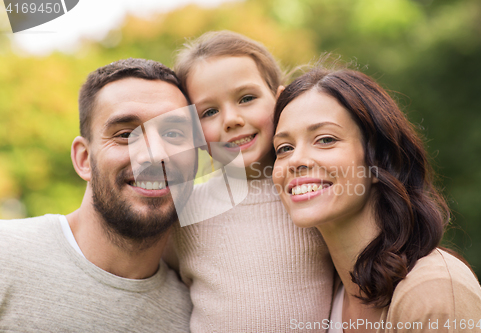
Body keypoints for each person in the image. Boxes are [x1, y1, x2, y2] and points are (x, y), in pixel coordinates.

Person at [272, 66, 481, 332]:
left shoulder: (433, 292)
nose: (295, 160)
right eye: (284, 148)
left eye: (325, 139)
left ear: (378, 160)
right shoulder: (327, 299)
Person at [0, 58, 196, 332]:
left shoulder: (199, 314)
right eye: (126, 134)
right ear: (83, 159)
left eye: (174, 134)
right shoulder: (5, 255)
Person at [167, 31, 334, 332]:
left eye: (246, 98)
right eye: (210, 112)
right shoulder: (183, 213)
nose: (231, 119)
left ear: (281, 101)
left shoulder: (314, 193)